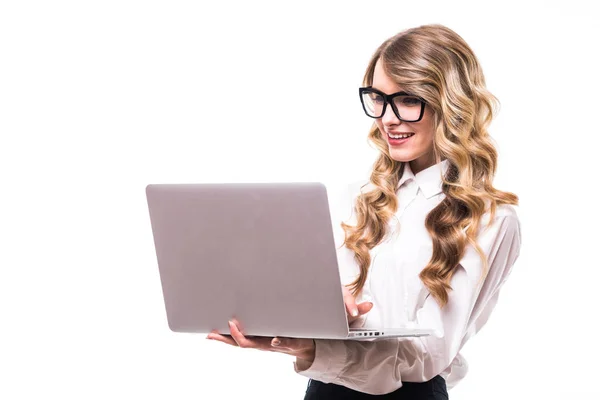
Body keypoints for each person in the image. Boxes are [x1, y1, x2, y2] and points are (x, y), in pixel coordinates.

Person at [206, 23, 521, 399]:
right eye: (378, 98)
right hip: (325, 391)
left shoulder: (491, 220)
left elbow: (426, 357)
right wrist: (299, 316)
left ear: (450, 104)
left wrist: (315, 348)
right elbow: (338, 321)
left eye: (407, 100)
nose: (387, 118)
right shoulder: (357, 199)